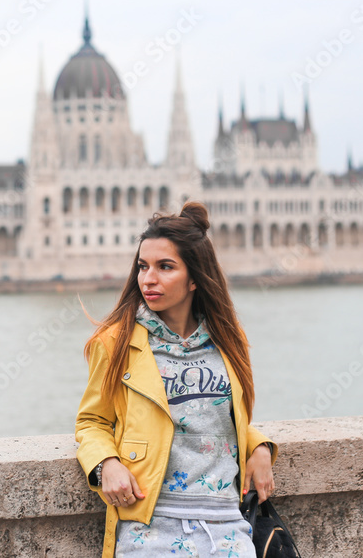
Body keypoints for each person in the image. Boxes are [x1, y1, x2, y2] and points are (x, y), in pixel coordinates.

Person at [75, 202, 277, 558]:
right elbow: (92, 421)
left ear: (195, 277)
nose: (148, 279)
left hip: (226, 526)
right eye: (142, 266)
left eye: (165, 267)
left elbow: (218, 416)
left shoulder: (229, 341)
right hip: (149, 525)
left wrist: (257, 445)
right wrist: (106, 463)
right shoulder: (115, 342)